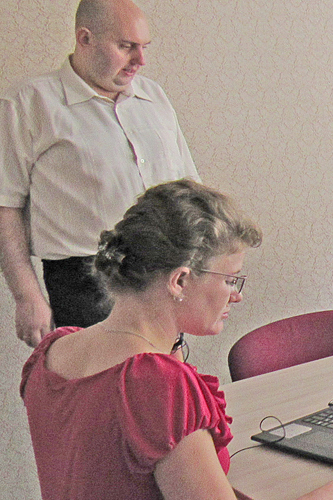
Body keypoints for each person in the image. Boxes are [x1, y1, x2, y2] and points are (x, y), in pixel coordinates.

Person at [20, 179, 333, 500]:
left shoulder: (52, 351)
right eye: (230, 280)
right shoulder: (159, 385)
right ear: (180, 280)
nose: (236, 296)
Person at [0, 0, 199, 348]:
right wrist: (26, 296)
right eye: (126, 46)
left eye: (144, 47)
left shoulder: (154, 97)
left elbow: (189, 190)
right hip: (86, 283)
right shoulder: (28, 103)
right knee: (102, 381)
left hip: (165, 272)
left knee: (167, 377)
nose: (140, 60)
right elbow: (5, 205)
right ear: (85, 38)